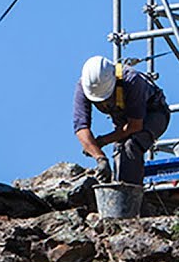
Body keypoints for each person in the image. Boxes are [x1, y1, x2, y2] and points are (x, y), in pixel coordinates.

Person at [73, 56, 170, 189]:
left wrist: (103, 141)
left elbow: (135, 126)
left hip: (154, 114)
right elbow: (81, 127)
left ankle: (131, 199)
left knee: (131, 146)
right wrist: (100, 157)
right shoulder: (85, 86)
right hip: (123, 123)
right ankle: (118, 196)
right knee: (119, 154)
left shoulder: (131, 80)